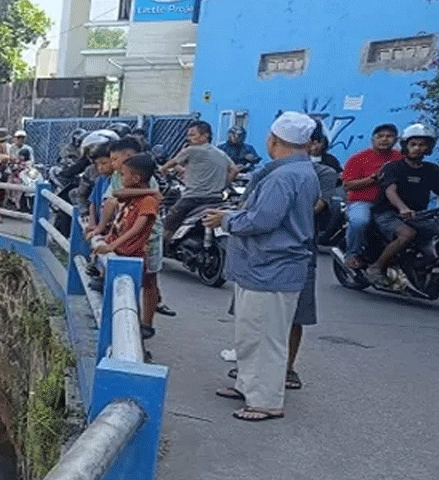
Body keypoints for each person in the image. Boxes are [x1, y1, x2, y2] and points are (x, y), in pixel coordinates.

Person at [203, 112, 320, 422]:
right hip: (262, 266)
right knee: (252, 332)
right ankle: (248, 385)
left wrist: (226, 219)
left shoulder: (285, 176)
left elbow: (263, 220)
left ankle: (266, 401)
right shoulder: (300, 170)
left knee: (266, 337)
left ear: (274, 140)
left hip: (272, 266)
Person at [366, 124, 439, 285]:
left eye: (422, 145)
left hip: (418, 215)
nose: (418, 148)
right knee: (407, 234)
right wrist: (402, 208)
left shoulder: (433, 170)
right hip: (388, 213)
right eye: (413, 144)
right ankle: (376, 267)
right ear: (405, 146)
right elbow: (391, 191)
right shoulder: (393, 167)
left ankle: (418, 267)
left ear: (428, 148)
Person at [94, 153, 162, 339]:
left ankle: (135, 334)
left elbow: (137, 230)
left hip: (133, 255)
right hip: (122, 252)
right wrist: (109, 238)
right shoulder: (136, 196)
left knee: (129, 298)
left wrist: (111, 245)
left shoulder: (148, 202)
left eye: (123, 175)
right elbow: (118, 199)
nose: (121, 178)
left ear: (136, 178)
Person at [159, 120, 237, 242]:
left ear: (205, 136)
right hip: (217, 199)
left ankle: (162, 249)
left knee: (168, 221)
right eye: (189, 135)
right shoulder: (221, 153)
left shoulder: (192, 150)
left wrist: (162, 170)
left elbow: (172, 163)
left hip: (193, 198)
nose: (189, 138)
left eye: (193, 135)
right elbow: (234, 170)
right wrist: (223, 185)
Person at [340, 124, 401, 268]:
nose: (384, 139)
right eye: (380, 136)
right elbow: (347, 185)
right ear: (373, 139)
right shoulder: (358, 158)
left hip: (390, 204)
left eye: (389, 136)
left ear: (396, 140)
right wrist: (372, 179)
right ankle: (352, 254)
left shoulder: (400, 158)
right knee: (360, 221)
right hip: (363, 202)